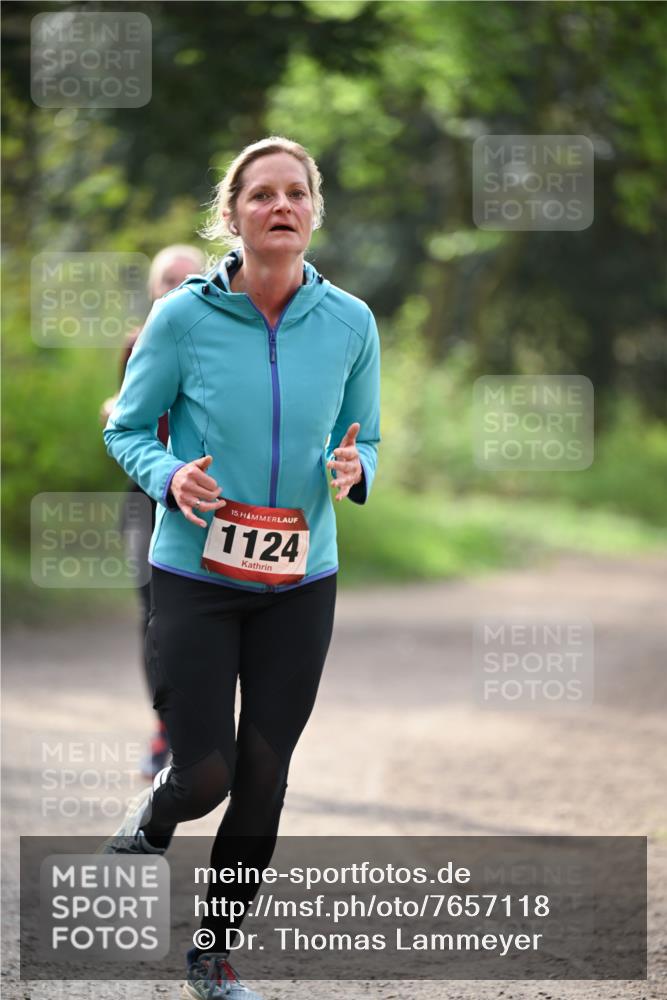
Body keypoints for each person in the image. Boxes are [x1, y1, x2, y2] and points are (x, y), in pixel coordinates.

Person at [103, 136, 381, 1000]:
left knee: (265, 772)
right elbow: (126, 427)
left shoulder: (351, 323)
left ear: (313, 211)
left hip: (300, 580)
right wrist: (167, 473)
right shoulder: (181, 318)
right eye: (261, 195)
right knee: (207, 773)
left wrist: (357, 468)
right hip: (195, 573)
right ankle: (158, 806)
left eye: (296, 193)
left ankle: (212, 955)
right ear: (233, 215)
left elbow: (364, 433)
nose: (281, 206)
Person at [100, 245, 206, 780]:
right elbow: (125, 412)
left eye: (190, 278)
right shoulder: (136, 344)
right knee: (154, 619)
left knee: (210, 612)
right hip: (146, 497)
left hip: (209, 495)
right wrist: (115, 411)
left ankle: (208, 725)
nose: (178, 286)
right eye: (169, 279)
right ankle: (166, 728)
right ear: (152, 288)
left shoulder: (222, 342)